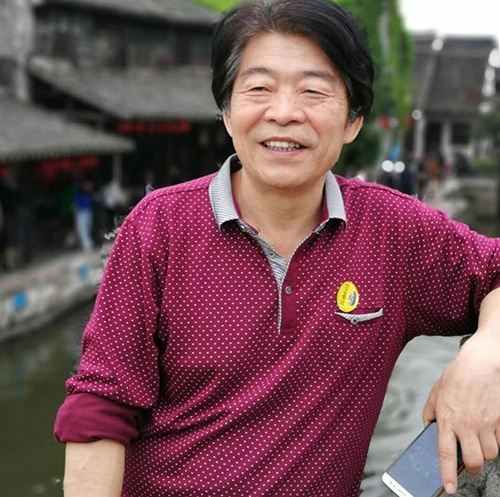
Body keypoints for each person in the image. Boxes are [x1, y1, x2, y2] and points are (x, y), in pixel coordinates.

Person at [54, 1, 500, 496]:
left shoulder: (392, 232)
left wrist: (487, 355)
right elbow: (102, 406)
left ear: (353, 120)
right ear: (227, 113)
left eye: (313, 91)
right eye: (259, 89)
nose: (284, 113)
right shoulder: (159, 226)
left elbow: (494, 269)